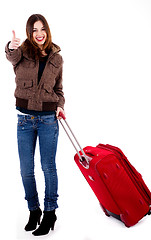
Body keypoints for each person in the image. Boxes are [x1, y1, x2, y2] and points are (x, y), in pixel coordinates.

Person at [5, 14, 65, 236]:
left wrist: (61, 105)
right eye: (34, 30)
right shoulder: (22, 53)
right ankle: (34, 210)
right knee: (25, 170)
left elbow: (59, 90)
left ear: (47, 31)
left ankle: (50, 212)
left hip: (49, 120)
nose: (39, 34)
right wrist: (11, 46)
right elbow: (11, 57)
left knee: (48, 168)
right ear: (30, 33)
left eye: (42, 29)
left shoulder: (57, 59)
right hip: (24, 120)